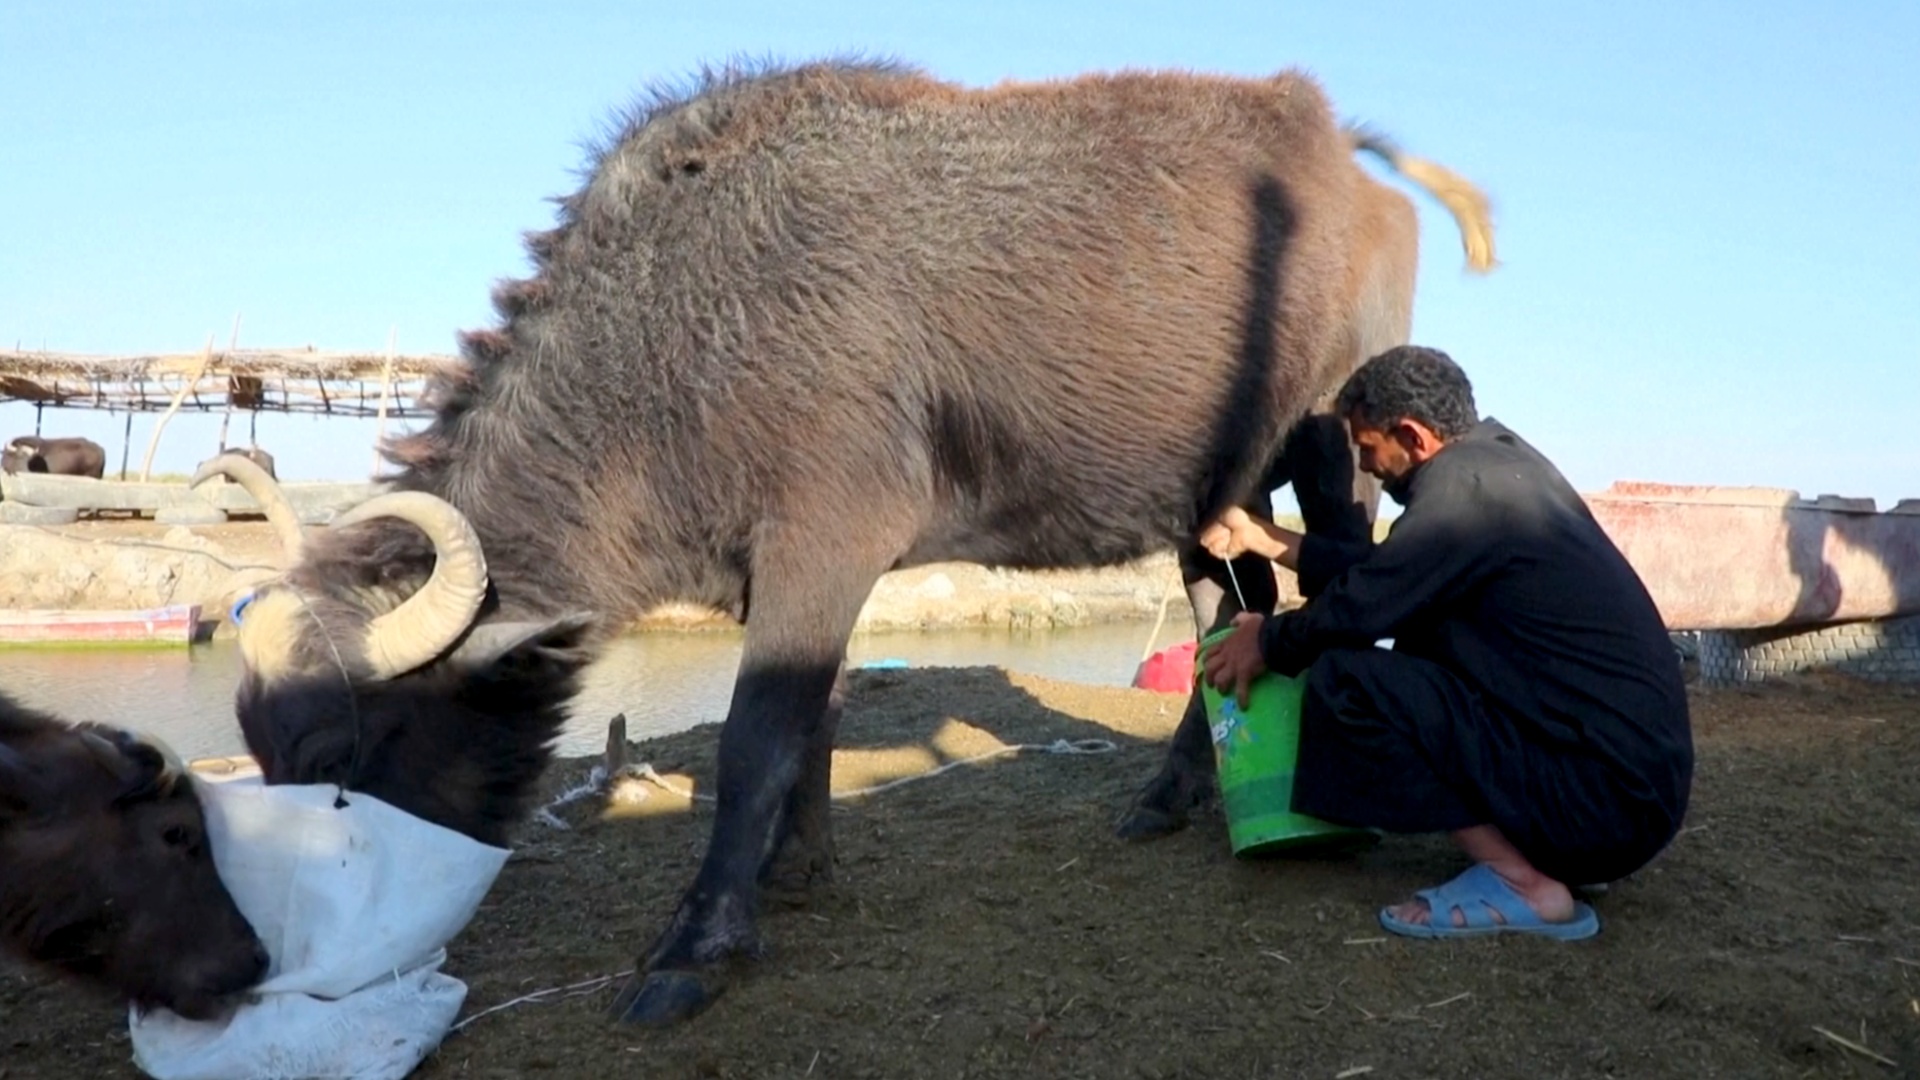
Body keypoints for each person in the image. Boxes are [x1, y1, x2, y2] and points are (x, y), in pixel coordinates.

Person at [1198, 345, 1692, 939]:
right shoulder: (1497, 470)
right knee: (1421, 641)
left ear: (1412, 435)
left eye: (1367, 447)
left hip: (1601, 806)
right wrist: (1263, 537)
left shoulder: (1463, 494)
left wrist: (1268, 642)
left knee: (1349, 681)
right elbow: (1389, 572)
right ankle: (1547, 851)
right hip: (1627, 796)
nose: (1367, 465)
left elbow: (1360, 607)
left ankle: (1523, 884)